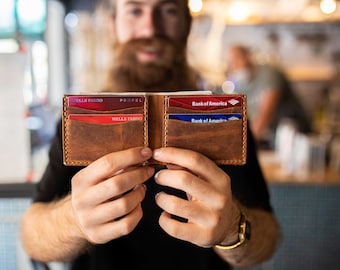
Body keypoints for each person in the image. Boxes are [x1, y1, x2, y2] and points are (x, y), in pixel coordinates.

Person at [20, 1, 280, 270]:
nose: (149, 28)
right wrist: (72, 220)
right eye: (135, 10)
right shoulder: (81, 119)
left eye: (167, 10)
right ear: (113, 26)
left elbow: (268, 237)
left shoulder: (227, 118)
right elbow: (31, 234)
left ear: (187, 25)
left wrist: (230, 228)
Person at [225, 44, 311, 146]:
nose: (233, 66)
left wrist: (243, 146)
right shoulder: (239, 83)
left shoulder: (269, 74)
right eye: (230, 62)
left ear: (248, 57)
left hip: (295, 136)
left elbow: (265, 115)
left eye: (236, 59)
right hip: (272, 137)